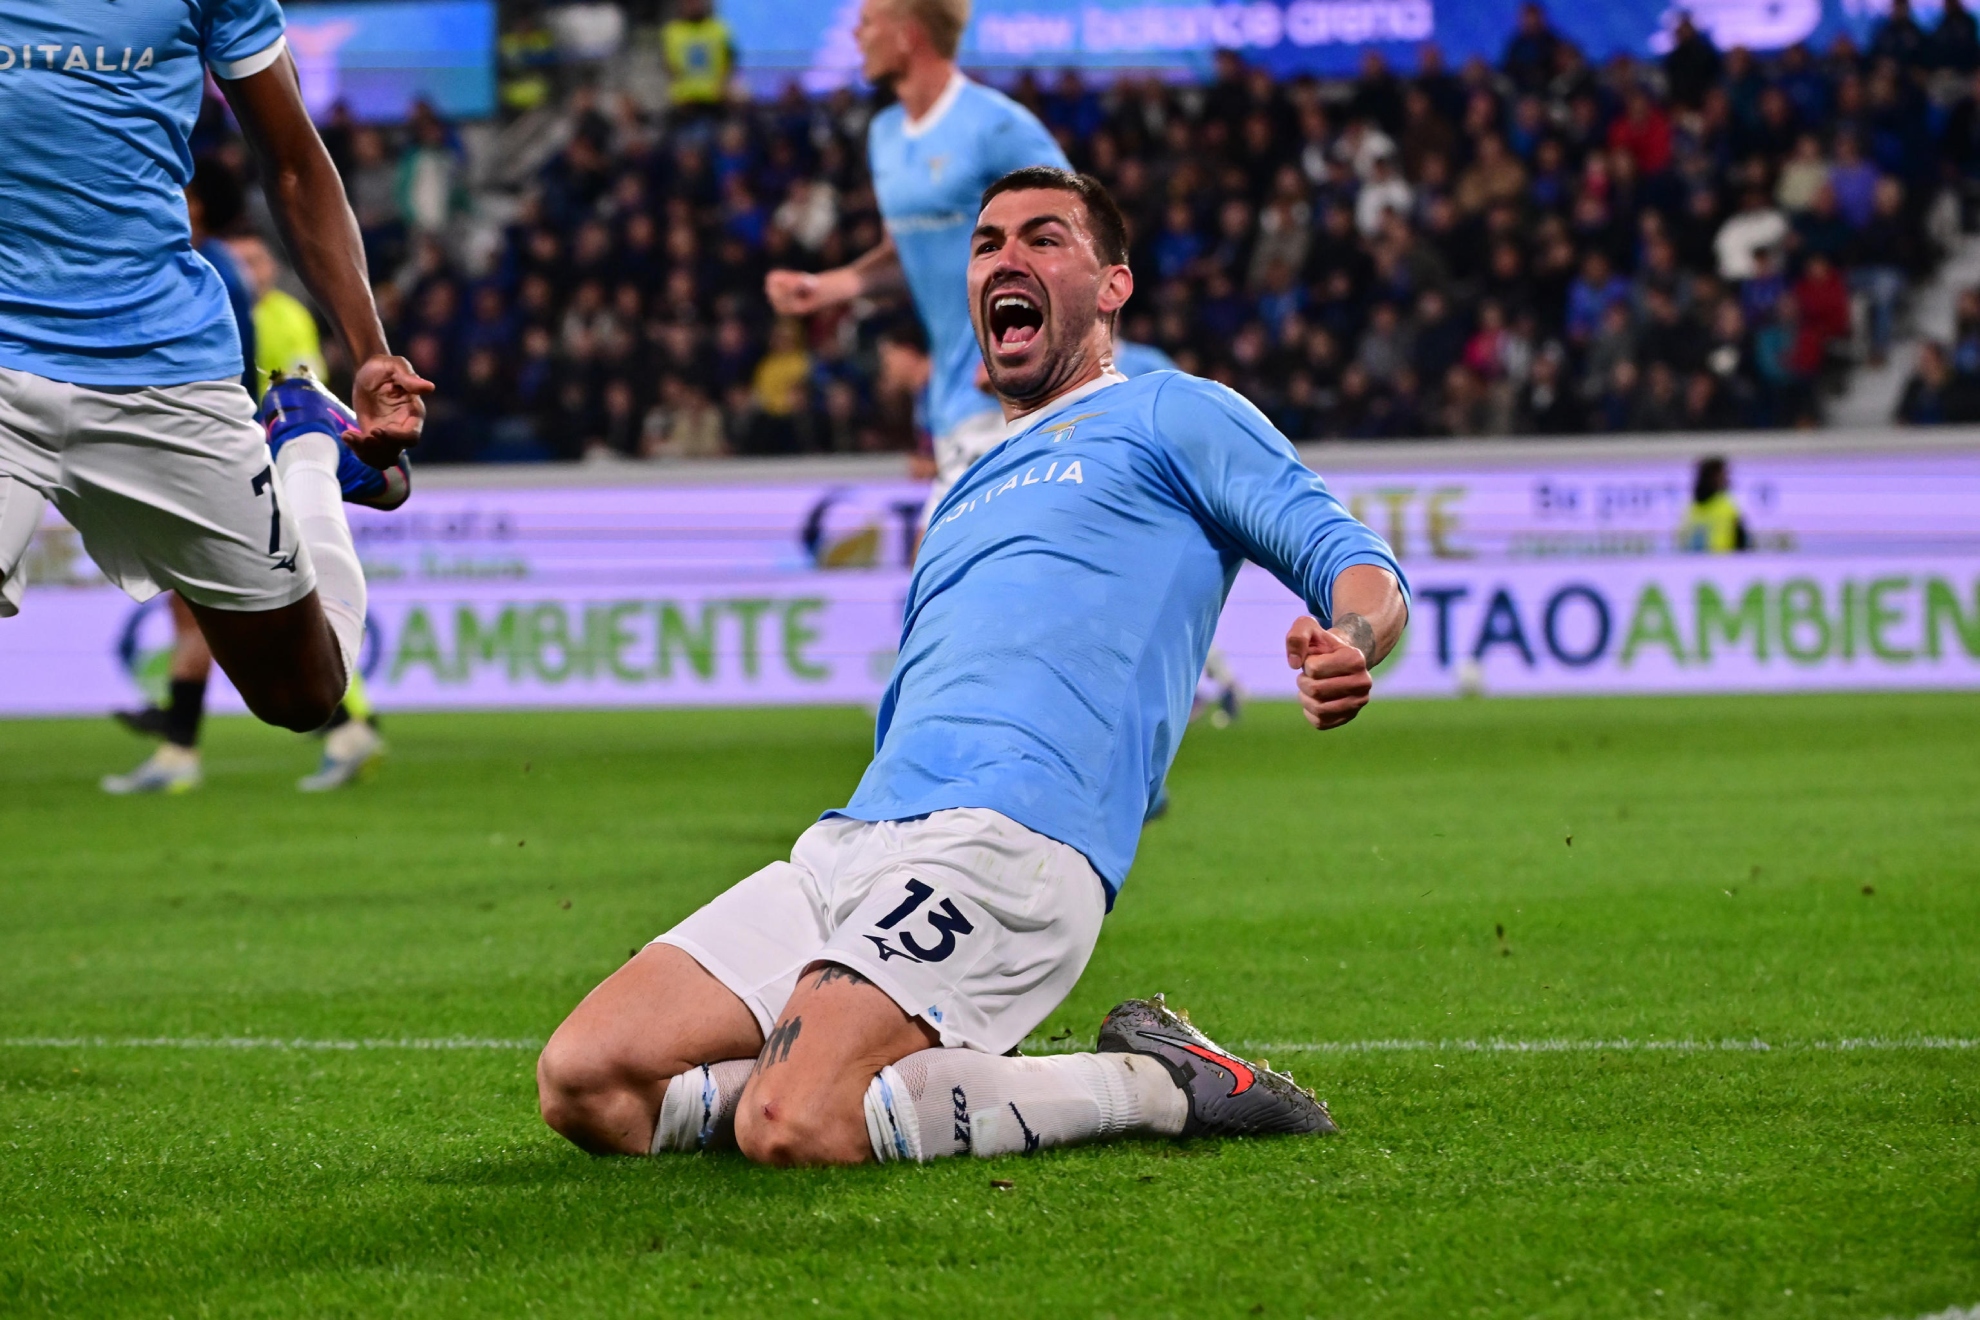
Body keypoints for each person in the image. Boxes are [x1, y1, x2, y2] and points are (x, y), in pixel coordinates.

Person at [537, 167, 1408, 1167]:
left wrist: (1353, 639)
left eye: (1044, 239)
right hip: (850, 845)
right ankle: (845, 1077)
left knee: (792, 1123)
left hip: (1012, 841)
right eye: (989, 243)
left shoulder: (1175, 414)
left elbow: (1354, 559)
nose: (1007, 258)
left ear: (1113, 286)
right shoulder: (964, 490)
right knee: (588, 1085)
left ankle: (1159, 1084)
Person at [0, 3, 431, 756]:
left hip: (161, 365)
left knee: (301, 694)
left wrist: (369, 349)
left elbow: (293, 160)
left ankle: (307, 457)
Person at [765, 0, 1069, 522]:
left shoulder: (996, 127)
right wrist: (828, 288)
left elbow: (1084, 238)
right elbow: (911, 251)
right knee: (947, 591)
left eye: (867, 22)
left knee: (948, 583)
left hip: (1011, 399)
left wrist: (1033, 344)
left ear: (907, 35)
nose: (856, 34)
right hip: (949, 402)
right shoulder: (885, 137)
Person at [661, 0, 736, 127]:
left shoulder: (719, 30)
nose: (693, 6)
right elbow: (668, 64)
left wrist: (723, 87)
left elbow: (729, 61)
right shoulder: (673, 31)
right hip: (684, 102)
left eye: (696, 2)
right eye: (689, 3)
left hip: (714, 100)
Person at [1677, 456, 1750, 552]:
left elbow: (1741, 540)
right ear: (1709, 478)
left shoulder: (1727, 506)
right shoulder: (1691, 508)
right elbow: (1682, 540)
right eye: (1721, 475)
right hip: (1695, 563)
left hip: (1725, 563)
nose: (1725, 479)